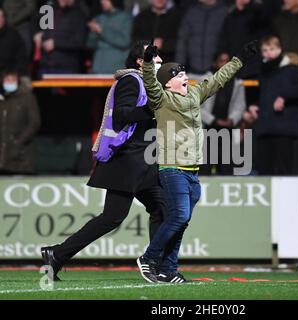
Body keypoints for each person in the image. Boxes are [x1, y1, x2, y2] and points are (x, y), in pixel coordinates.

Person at [40, 40, 167, 281]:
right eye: (153, 56)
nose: (159, 60)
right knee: (113, 218)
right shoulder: (131, 80)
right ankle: (57, 254)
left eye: (159, 55)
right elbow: (122, 114)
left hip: (142, 160)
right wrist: (153, 107)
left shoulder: (150, 83)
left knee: (161, 208)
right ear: (140, 62)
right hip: (127, 160)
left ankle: (156, 264)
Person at [136, 40, 259, 283]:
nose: (184, 76)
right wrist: (149, 62)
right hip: (172, 168)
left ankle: (168, 270)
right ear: (167, 82)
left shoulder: (194, 94)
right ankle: (149, 258)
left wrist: (239, 59)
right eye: (179, 74)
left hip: (192, 171)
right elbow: (150, 82)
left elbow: (217, 79)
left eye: (184, 73)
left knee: (181, 222)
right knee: (179, 216)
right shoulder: (162, 99)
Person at [254, 36, 298, 175]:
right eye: (264, 50)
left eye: (272, 49)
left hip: (284, 127)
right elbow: (265, 97)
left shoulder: (292, 70)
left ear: (280, 49)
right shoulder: (264, 73)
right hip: (265, 128)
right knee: (264, 172)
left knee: (283, 171)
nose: (268, 53)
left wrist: (284, 96)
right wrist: (255, 107)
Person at [200, 52, 247, 175]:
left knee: (227, 166)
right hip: (208, 128)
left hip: (228, 129)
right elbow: (198, 105)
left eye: (227, 61)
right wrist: (213, 120)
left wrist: (232, 120)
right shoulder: (206, 79)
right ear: (215, 63)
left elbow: (240, 105)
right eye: (221, 61)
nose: (225, 64)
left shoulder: (237, 82)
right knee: (205, 165)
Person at [0, 70, 41, 174]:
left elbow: (34, 123)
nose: (9, 82)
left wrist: (18, 141)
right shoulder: (2, 100)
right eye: (7, 80)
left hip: (21, 154)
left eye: (12, 80)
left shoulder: (27, 98)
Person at [34, 0, 87, 77]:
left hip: (66, 67)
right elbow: (34, 23)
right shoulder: (48, 10)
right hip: (45, 65)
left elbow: (79, 42)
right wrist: (36, 34)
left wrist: (56, 43)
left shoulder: (78, 15)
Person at [175, 0, 228, 77]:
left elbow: (229, 39)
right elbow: (182, 41)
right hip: (191, 71)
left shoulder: (225, 12)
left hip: (217, 72)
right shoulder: (191, 12)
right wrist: (179, 68)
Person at [87, 0, 132, 74]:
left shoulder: (125, 18)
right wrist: (93, 33)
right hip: (98, 68)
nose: (102, 2)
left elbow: (124, 42)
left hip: (117, 68)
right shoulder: (98, 18)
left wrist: (101, 31)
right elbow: (89, 44)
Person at [0, 8, 29, 76]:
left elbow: (21, 58)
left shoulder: (13, 35)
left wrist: (14, 74)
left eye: (2, 16)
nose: (0, 19)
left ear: (4, 18)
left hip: (9, 75)